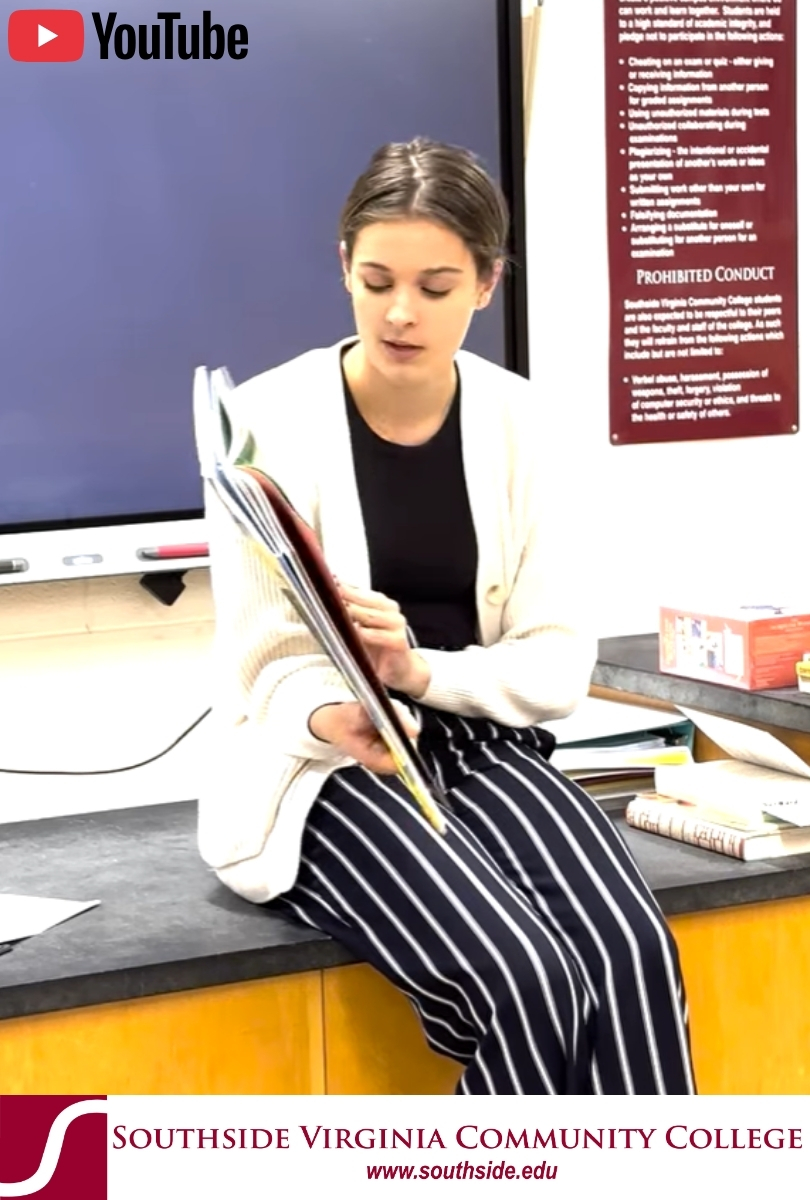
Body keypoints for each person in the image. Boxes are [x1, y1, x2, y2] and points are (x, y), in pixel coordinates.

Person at [201, 137, 696, 1095]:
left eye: (435, 286)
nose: (399, 312)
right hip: (332, 767)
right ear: (343, 263)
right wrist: (345, 711)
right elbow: (266, 662)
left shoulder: (530, 425)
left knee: (635, 960)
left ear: (487, 284)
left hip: (484, 744)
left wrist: (421, 672)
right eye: (377, 278)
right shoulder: (261, 423)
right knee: (528, 981)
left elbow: (553, 665)